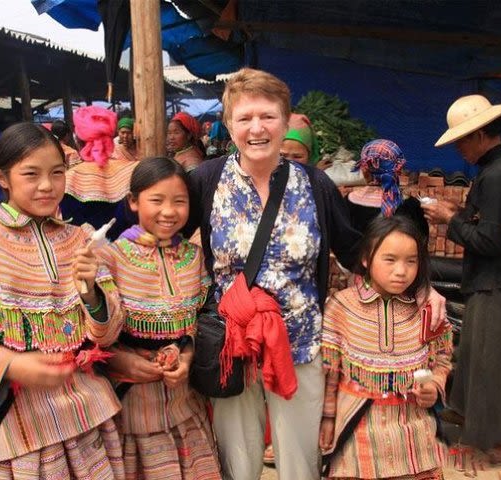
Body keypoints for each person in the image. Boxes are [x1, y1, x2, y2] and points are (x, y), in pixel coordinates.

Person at [182, 67, 363, 480]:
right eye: (244, 118)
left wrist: (414, 283)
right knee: (238, 462)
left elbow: (357, 253)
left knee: (299, 463)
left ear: (286, 121)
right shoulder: (207, 180)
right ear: (228, 125)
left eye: (267, 116)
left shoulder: (315, 185)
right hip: (233, 345)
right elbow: (166, 232)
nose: (257, 128)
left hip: (299, 343)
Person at [0, 123, 126, 478]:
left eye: (57, 173)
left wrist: (91, 292)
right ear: (3, 177)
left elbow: (107, 335)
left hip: (87, 420)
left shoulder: (80, 239)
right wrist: (12, 365)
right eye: (31, 174)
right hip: (18, 427)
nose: (47, 186)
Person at [422, 94, 501, 463]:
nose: (459, 148)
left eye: (462, 140)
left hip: (497, 280)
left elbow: (488, 241)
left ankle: (486, 442)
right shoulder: (497, 168)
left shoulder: (499, 175)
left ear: (482, 133)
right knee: (474, 354)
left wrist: (447, 219)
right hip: (491, 280)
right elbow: (490, 224)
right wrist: (460, 214)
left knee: (489, 364)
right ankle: (467, 416)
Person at [95, 156, 221, 479]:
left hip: (184, 407)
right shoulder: (112, 257)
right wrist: (118, 361)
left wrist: (188, 356)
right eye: (157, 200)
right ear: (133, 202)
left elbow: (201, 319)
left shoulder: (194, 258)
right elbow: (97, 331)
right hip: (131, 411)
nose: (169, 211)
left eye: (179, 201)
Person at [319, 215, 453, 479]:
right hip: (356, 432)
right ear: (367, 259)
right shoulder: (342, 306)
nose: (401, 271)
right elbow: (330, 372)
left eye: (411, 261)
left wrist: (435, 387)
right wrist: (327, 420)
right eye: (390, 260)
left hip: (413, 433)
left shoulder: (429, 309)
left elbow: (443, 356)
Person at [61, 106, 138, 240]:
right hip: (130, 250)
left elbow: (70, 222)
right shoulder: (133, 170)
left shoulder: (69, 179)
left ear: (79, 141)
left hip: (88, 254)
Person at [346, 139, 428, 239]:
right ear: (398, 169)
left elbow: (341, 240)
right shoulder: (411, 205)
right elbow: (422, 240)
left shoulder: (349, 202)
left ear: (365, 169)